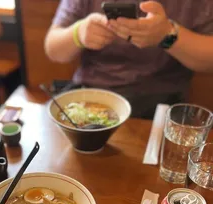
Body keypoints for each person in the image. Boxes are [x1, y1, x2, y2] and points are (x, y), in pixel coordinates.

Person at [45, 0, 213, 118]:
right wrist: (78, 33)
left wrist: (167, 35)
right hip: (89, 97)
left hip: (161, 105)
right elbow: (52, 48)